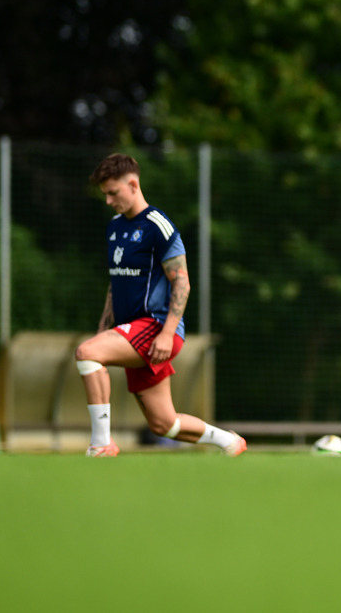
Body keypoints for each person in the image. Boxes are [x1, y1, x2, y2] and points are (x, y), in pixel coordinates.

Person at [75, 153, 246, 457]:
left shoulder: (158, 225)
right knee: (163, 424)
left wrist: (167, 334)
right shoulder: (114, 228)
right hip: (132, 332)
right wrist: (104, 327)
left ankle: (101, 444)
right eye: (105, 195)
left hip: (155, 328)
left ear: (133, 184)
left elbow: (182, 281)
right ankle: (230, 442)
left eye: (113, 193)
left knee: (87, 353)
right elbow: (116, 284)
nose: (109, 201)